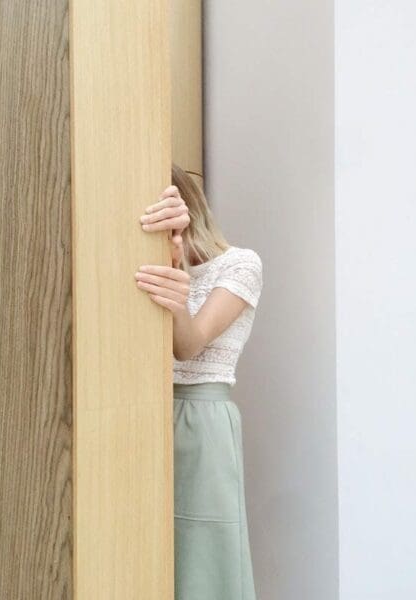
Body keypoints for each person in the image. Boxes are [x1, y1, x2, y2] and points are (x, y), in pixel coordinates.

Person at [135, 163, 263, 600]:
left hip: (201, 417)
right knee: (147, 548)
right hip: (144, 411)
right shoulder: (147, 266)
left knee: (204, 548)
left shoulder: (241, 264)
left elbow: (187, 346)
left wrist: (175, 283)